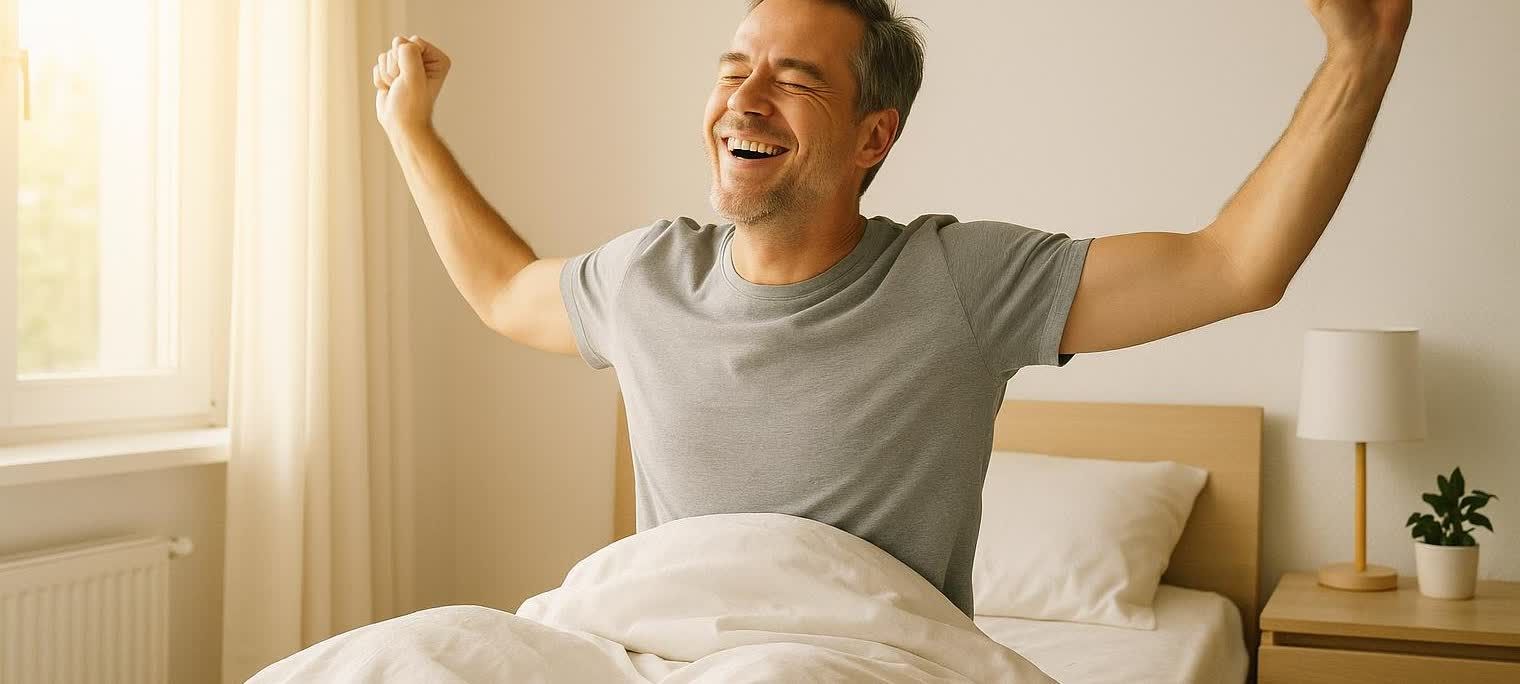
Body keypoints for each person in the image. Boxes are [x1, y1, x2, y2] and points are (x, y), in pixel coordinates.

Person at [371, 0, 1412, 618]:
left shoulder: (958, 285)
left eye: (792, 80)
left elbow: (1232, 265)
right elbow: (506, 291)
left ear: (873, 139)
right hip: (653, 648)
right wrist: (410, 130)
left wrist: (1357, 57)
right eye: (733, 69)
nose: (743, 98)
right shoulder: (646, 280)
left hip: (863, 659)